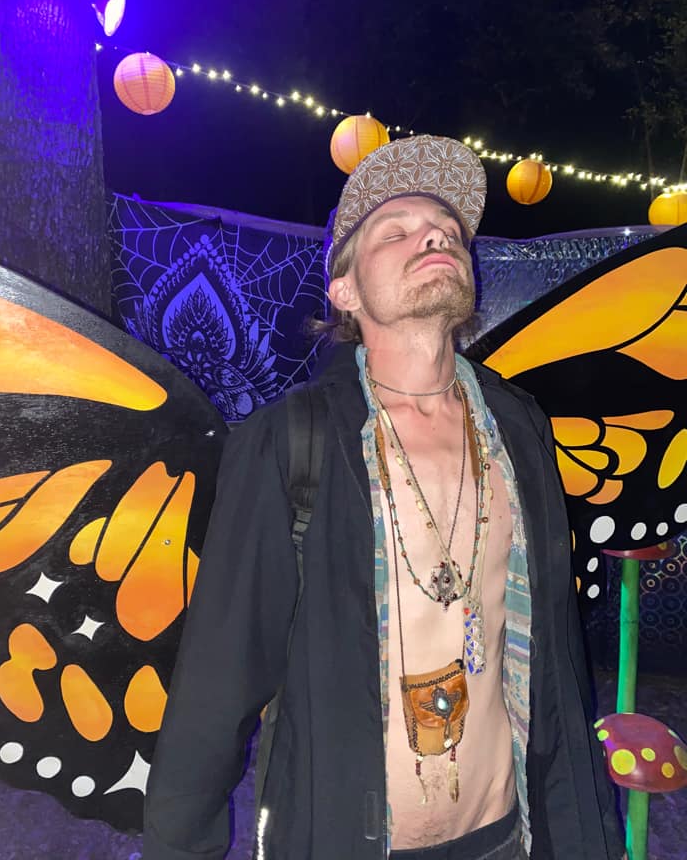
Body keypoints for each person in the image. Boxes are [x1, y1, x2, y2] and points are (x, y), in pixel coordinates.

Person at [143, 135, 625, 860]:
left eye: (447, 230)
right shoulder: (291, 441)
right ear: (345, 291)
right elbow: (219, 679)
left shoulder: (520, 429)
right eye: (395, 232)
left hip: (510, 835)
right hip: (352, 839)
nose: (434, 235)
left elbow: (558, 662)